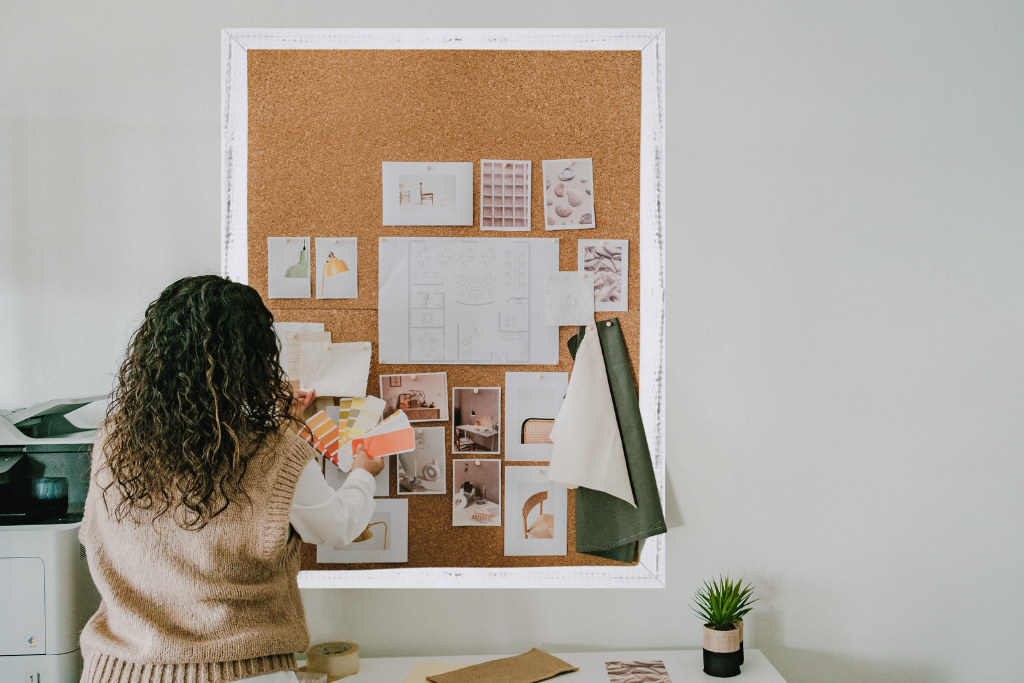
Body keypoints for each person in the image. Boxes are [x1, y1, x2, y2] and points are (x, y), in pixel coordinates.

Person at [78, 275, 384, 683]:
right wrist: (363, 472)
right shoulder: (272, 450)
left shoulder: (115, 438)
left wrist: (281, 427)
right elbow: (340, 526)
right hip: (239, 672)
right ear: (255, 361)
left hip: (121, 671)